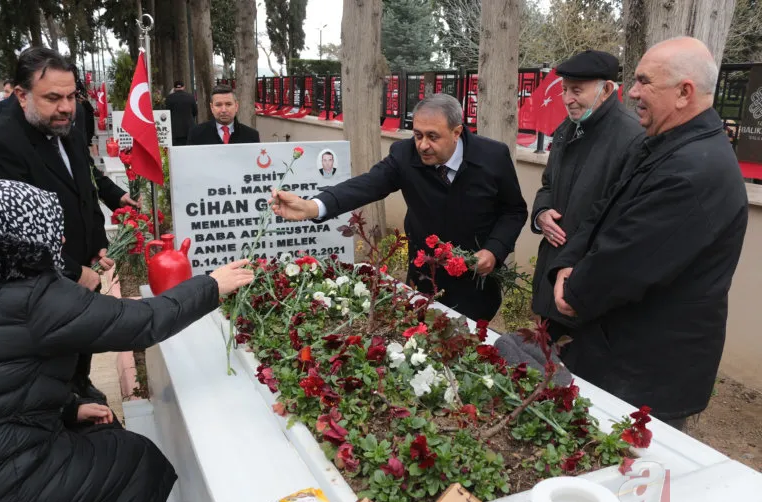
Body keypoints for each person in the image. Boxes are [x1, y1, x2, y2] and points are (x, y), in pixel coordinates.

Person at [0, 179, 255, 502]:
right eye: (53, 227)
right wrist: (211, 284)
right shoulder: (33, 296)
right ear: (26, 235)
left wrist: (68, 409)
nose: (62, 239)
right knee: (135, 460)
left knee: (103, 431)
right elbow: (140, 322)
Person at [549, 37, 748, 430]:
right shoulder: (662, 142)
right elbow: (603, 210)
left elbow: (628, 259)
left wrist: (575, 291)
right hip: (618, 352)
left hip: (646, 372)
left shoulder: (694, 170)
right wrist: (567, 261)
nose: (633, 92)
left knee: (623, 461)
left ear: (684, 93)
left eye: (644, 82)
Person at [0, 47, 137, 401]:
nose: (67, 107)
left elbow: (84, 184)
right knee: (51, 362)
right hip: (39, 287)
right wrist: (72, 271)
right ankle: (60, 405)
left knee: (80, 344)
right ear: (21, 95)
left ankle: (80, 385)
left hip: (82, 266)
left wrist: (97, 241)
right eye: (53, 98)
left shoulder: (66, 124)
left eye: (71, 96)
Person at [271, 93, 528, 321]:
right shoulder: (404, 155)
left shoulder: (492, 156)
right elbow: (368, 184)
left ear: (456, 132)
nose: (423, 145)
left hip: (475, 282)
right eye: (418, 135)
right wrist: (313, 206)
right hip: (424, 277)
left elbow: (513, 210)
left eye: (432, 136)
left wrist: (493, 250)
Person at [531, 51, 644, 342]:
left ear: (607, 90)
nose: (567, 99)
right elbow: (548, 185)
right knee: (541, 357)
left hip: (587, 284)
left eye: (577, 91)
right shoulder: (567, 129)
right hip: (551, 273)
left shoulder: (632, 138)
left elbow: (622, 219)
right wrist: (541, 214)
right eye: (564, 90)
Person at [187, 85, 260, 145]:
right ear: (212, 107)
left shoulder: (251, 135)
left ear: (236, 106)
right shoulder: (196, 134)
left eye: (228, 104)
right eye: (218, 105)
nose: (224, 110)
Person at [165, 80, 198, 146]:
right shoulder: (191, 97)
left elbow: (167, 113)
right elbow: (195, 112)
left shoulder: (169, 98)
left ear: (174, 88)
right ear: (183, 87)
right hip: (189, 128)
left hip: (175, 130)